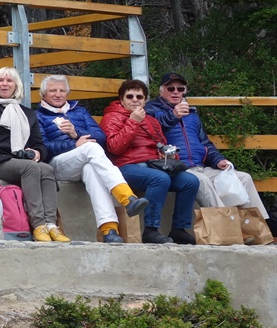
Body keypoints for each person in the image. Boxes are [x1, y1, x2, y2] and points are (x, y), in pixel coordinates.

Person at [35, 75, 148, 244]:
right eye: (53, 90)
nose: (58, 94)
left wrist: (75, 133)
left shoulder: (79, 111)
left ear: (67, 93)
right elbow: (43, 147)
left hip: (83, 162)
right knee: (91, 148)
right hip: (57, 165)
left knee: (91, 168)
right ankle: (127, 198)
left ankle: (109, 229)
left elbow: (101, 138)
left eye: (62, 90)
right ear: (43, 94)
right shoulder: (37, 115)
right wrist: (74, 145)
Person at [0, 68, 69, 242]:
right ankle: (38, 225)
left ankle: (51, 225)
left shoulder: (28, 113)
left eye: (9, 81)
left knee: (47, 169)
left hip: (21, 160)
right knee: (32, 168)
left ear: (16, 85)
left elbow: (40, 144)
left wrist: (37, 152)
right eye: (0, 80)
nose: (4, 84)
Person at [147, 72, 270, 220]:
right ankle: (227, 226)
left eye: (180, 89)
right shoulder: (151, 110)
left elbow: (204, 143)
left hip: (201, 166)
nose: (175, 92)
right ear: (161, 91)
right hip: (175, 168)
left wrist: (218, 160)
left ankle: (258, 227)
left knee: (244, 178)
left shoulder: (192, 113)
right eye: (170, 88)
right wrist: (173, 116)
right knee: (202, 180)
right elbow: (151, 134)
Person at [101, 79, 201, 244]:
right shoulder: (111, 117)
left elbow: (160, 143)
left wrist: (167, 155)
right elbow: (114, 148)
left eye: (139, 97)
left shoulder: (151, 119)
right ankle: (151, 230)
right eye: (130, 96)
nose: (135, 100)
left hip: (152, 164)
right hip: (125, 166)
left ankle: (179, 229)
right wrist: (133, 121)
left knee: (190, 181)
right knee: (159, 178)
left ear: (145, 100)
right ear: (121, 99)